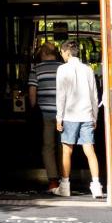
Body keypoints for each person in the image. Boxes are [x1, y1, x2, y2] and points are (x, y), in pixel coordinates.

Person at [54, 40, 103, 199]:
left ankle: (65, 186)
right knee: (90, 151)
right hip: (86, 114)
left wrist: (59, 117)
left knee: (67, 151)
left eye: (61, 52)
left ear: (67, 52)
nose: (61, 55)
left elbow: (61, 95)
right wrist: (95, 116)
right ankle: (96, 186)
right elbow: (94, 95)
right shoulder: (88, 69)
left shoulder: (62, 69)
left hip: (69, 115)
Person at [28, 41, 63, 193]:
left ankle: (53, 181)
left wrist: (33, 107)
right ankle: (65, 179)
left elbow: (32, 92)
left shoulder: (36, 69)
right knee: (64, 146)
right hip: (64, 113)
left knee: (48, 147)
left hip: (46, 114)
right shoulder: (63, 68)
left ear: (43, 53)